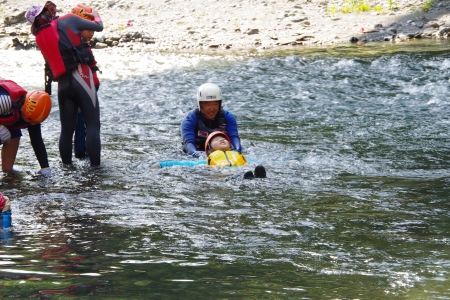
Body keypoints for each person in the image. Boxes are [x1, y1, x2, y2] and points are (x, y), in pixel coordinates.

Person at [26, 2, 104, 168]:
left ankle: (67, 168)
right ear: (47, 12)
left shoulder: (40, 35)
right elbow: (99, 26)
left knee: (66, 131)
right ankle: (96, 170)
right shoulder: (68, 20)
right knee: (92, 125)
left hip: (62, 84)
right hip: (81, 76)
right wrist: (95, 13)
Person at [152, 131, 266, 179]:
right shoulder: (207, 161)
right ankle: (246, 178)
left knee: (250, 168)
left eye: (223, 139)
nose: (221, 140)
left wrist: (283, 161)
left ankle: (257, 177)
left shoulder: (240, 156)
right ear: (209, 151)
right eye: (216, 140)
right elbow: (184, 163)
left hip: (241, 169)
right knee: (231, 175)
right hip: (223, 175)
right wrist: (161, 164)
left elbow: (268, 162)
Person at [0, 79, 52, 176]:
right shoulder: (4, 102)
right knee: (2, 134)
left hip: (9, 121)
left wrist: (45, 168)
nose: (30, 124)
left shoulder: (35, 113)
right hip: (4, 113)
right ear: (23, 109)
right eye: (28, 120)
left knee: (8, 171)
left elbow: (36, 140)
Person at [70, 4, 101, 159]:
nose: (92, 33)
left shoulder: (79, 44)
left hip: (87, 89)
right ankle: (82, 155)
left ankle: (82, 154)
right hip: (84, 91)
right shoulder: (76, 46)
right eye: (88, 29)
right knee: (86, 124)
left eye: (93, 30)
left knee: (84, 125)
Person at [181, 83, 242, 158]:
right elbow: (189, 143)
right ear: (200, 105)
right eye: (207, 104)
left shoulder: (228, 117)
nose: (212, 109)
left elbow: (234, 138)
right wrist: (199, 156)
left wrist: (236, 152)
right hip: (199, 151)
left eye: (215, 104)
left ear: (220, 104)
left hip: (223, 152)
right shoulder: (189, 119)